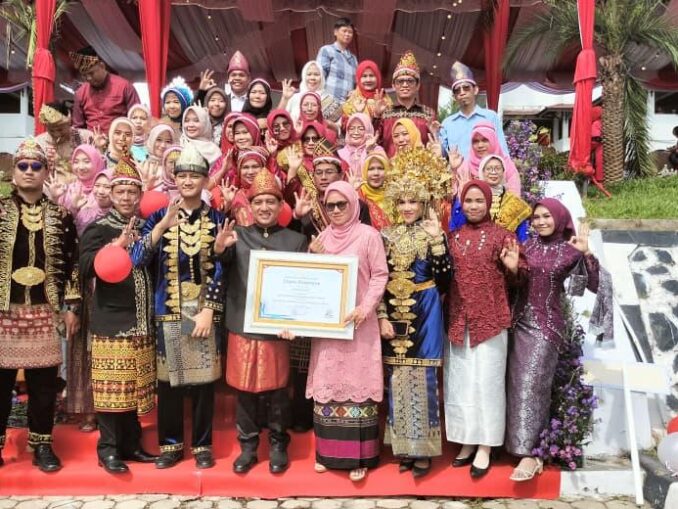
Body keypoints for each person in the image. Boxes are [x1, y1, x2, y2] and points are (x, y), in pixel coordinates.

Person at [131, 143, 224, 470]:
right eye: (182, 175)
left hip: (203, 313)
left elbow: (223, 268)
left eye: (194, 176)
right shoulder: (158, 216)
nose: (187, 181)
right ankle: (170, 446)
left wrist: (210, 308)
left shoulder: (218, 218)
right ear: (174, 179)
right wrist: (160, 228)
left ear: (204, 180)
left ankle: (202, 445)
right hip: (168, 311)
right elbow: (136, 259)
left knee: (204, 385)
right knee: (169, 384)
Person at [215, 170, 308, 474]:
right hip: (243, 324)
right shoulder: (237, 235)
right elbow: (223, 267)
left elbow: (302, 285)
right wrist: (220, 249)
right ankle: (248, 447)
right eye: (259, 202)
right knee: (244, 390)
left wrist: (296, 321)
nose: (265, 207)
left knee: (278, 389)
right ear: (250, 206)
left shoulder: (295, 240)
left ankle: (279, 444)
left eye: (271, 202)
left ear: (281, 205)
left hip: (278, 328)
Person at [0, 139, 80, 472]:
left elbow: (73, 263)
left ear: (46, 172)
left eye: (36, 166)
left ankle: (42, 445)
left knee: (44, 385)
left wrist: (71, 305)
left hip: (45, 311)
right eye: (23, 166)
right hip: (4, 311)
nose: (29, 172)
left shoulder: (61, 216)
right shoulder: (0, 211)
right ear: (14, 172)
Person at [506, 199, 600, 482]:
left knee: (532, 384)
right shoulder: (527, 246)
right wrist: (512, 269)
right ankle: (514, 445)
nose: (541, 222)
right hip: (517, 323)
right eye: (536, 217)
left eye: (547, 216)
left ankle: (532, 454)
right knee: (514, 384)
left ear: (559, 218)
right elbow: (515, 284)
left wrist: (586, 254)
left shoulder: (570, 250)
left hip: (546, 327)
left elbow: (591, 286)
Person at [305, 181, 388, 482]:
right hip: (329, 327)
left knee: (358, 385)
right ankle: (328, 454)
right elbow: (312, 282)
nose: (336, 210)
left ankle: (360, 457)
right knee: (329, 383)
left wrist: (365, 308)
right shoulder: (321, 237)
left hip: (359, 325)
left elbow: (380, 276)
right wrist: (313, 257)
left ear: (354, 204)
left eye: (342, 204)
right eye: (330, 205)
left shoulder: (368, 236)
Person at [79, 157, 157, 474]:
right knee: (112, 388)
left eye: (131, 192)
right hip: (111, 321)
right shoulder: (98, 229)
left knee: (134, 388)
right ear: (111, 194)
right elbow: (85, 268)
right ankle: (108, 450)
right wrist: (116, 246)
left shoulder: (147, 227)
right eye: (120, 191)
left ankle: (131, 445)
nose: (126, 197)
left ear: (140, 195)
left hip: (142, 321)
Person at [379, 146, 452, 478]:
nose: (407, 207)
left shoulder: (434, 233)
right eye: (402, 202)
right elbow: (379, 278)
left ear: (425, 204)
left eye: (414, 202)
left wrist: (437, 242)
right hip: (395, 311)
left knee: (422, 377)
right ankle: (404, 447)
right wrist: (382, 314)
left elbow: (446, 279)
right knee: (398, 378)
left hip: (425, 309)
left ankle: (423, 451)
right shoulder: (387, 234)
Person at [444, 181, 525, 479]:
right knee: (461, 383)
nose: (474, 206)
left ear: (489, 203)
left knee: (487, 384)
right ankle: (467, 439)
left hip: (490, 320)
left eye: (479, 200)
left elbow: (519, 282)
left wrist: (514, 268)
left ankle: (486, 445)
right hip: (458, 320)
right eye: (468, 201)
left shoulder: (503, 236)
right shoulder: (452, 238)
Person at [449, 155, 531, 242]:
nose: (493, 172)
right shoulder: (471, 197)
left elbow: (522, 239)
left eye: (497, 168)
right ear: (482, 172)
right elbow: (456, 226)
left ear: (503, 172)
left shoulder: (514, 203)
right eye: (488, 169)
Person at [439, 61, 509, 159]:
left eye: (466, 88)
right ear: (454, 97)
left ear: (475, 90)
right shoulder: (447, 124)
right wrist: (435, 136)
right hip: (458, 169)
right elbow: (441, 155)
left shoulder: (490, 117)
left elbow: (502, 150)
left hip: (485, 168)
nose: (462, 92)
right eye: (457, 90)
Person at [70, 46, 140, 133]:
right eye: (84, 75)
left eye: (91, 73)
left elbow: (137, 118)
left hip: (120, 139)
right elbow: (78, 128)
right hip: (91, 140)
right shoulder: (80, 93)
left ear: (102, 66)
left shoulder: (124, 86)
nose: (88, 78)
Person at [380, 51, 436, 157]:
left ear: (418, 85)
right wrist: (375, 117)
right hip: (391, 166)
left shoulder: (428, 114)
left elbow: (434, 146)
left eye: (410, 81)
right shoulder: (385, 114)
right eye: (400, 81)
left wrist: (436, 134)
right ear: (393, 85)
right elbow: (376, 143)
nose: (405, 85)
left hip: (420, 166)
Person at [449, 121, 521, 195]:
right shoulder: (465, 166)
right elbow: (450, 196)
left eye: (485, 140)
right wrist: (453, 170)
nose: (480, 145)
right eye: (475, 141)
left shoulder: (506, 164)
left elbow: (515, 196)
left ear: (493, 141)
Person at [36, 102, 95, 182]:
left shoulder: (86, 137)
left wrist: (100, 148)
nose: (56, 134)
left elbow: (98, 167)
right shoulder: (38, 143)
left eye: (60, 129)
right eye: (51, 130)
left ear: (69, 123)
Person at [287, 61, 342, 131]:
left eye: (316, 74)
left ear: (321, 77)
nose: (312, 78)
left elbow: (338, 129)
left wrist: (325, 123)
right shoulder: (294, 98)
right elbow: (279, 119)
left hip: (322, 137)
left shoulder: (329, 100)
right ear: (304, 76)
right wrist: (284, 98)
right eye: (309, 74)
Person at [316, 17, 358, 103]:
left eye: (350, 32)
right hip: (328, 103)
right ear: (335, 32)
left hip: (347, 105)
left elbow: (356, 83)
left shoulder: (353, 58)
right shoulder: (327, 50)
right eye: (344, 31)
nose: (347, 34)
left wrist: (355, 92)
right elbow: (319, 76)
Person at [228, 147, 271, 226]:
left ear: (263, 168)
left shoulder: (272, 193)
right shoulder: (235, 195)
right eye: (245, 167)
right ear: (239, 170)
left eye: (255, 167)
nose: (250, 172)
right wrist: (228, 204)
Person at [342, 60, 392, 124]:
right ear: (358, 78)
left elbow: (389, 126)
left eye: (371, 75)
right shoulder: (351, 101)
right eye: (364, 76)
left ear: (378, 77)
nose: (368, 80)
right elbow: (345, 126)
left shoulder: (385, 100)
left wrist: (378, 114)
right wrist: (358, 113)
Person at [357, 150, 391, 231]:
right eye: (371, 169)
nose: (376, 173)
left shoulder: (395, 193)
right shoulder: (358, 195)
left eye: (381, 168)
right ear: (365, 171)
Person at [338, 113, 376, 177]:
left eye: (361, 129)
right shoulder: (340, 154)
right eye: (351, 128)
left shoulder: (377, 150)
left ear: (368, 130)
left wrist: (369, 152)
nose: (356, 132)